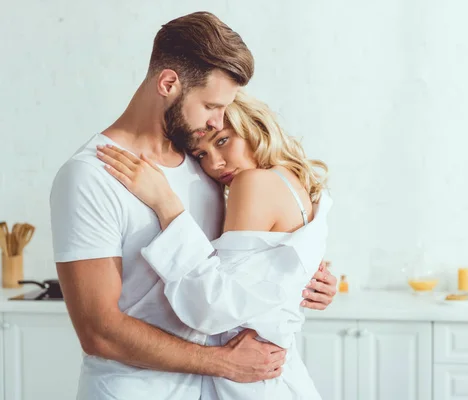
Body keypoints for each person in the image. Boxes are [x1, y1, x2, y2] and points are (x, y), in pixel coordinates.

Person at [49, 11, 337, 400]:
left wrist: (302, 278)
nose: (218, 122)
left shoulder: (209, 166)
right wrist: (221, 362)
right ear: (169, 83)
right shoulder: (91, 176)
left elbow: (237, 271)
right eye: (211, 105)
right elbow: (99, 331)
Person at [95, 89, 331, 399]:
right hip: (280, 377)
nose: (215, 164)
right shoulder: (296, 183)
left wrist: (166, 203)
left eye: (222, 141)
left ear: (254, 128)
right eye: (201, 154)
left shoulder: (253, 183)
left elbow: (212, 308)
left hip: (252, 379)